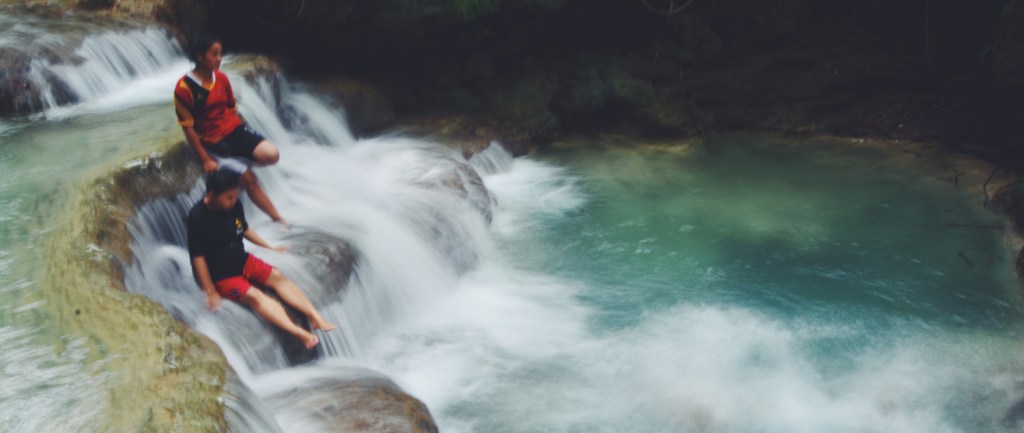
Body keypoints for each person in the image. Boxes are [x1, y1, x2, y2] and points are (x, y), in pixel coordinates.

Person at [188, 170, 334, 349]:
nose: (233, 201)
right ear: (212, 194)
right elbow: (198, 257)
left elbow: (245, 229)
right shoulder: (198, 217)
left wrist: (269, 247)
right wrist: (210, 291)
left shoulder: (234, 205)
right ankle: (299, 333)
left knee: (277, 276)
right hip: (222, 276)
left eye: (235, 196)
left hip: (241, 260)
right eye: (229, 197)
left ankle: (315, 317)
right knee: (255, 296)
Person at [174, 34, 286, 225]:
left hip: (235, 130)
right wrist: (206, 159)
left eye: (220, 54)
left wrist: (242, 134)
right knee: (249, 180)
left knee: (272, 154)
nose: (219, 59)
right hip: (213, 142)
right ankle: (279, 220)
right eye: (214, 54)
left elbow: (231, 108)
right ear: (200, 57)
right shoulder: (184, 88)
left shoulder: (222, 79)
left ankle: (237, 169)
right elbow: (188, 128)